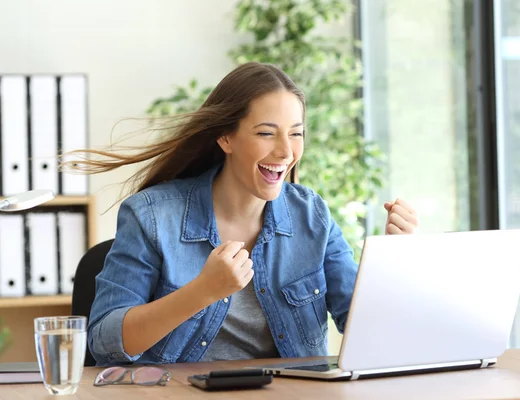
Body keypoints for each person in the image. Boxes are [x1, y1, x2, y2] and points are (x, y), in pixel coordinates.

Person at [74, 62, 418, 366]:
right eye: (266, 133)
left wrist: (393, 263)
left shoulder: (312, 216)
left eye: (296, 133)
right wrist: (202, 291)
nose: (285, 151)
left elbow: (364, 327)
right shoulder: (151, 216)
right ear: (226, 138)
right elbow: (105, 342)